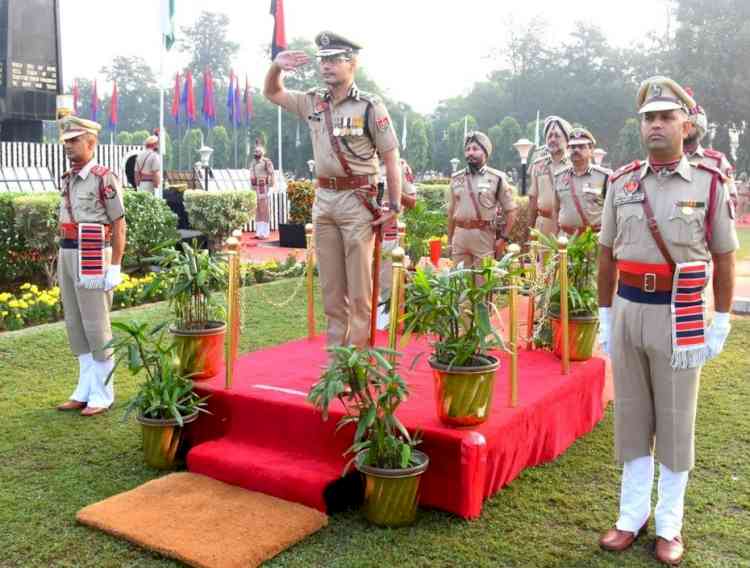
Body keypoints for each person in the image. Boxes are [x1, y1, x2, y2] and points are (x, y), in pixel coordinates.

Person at [597, 76, 737, 565]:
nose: (655, 125)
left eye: (665, 117)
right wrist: (604, 315)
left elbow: (723, 257)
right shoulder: (621, 181)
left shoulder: (709, 182)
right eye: (648, 118)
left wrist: (720, 320)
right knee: (632, 419)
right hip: (630, 309)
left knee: (677, 423)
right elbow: (605, 253)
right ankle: (629, 518)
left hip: (682, 315)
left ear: (687, 124)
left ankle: (669, 525)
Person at [263, 31, 401, 348]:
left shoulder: (369, 106)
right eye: (323, 60)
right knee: (331, 290)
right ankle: (338, 364)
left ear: (352, 63)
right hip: (324, 201)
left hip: (358, 201)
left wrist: (394, 206)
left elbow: (391, 157)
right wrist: (276, 66)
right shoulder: (313, 101)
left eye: (334, 59)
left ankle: (359, 363)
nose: (326, 66)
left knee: (360, 290)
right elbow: (272, 92)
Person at [55, 116, 127, 416]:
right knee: (74, 323)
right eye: (66, 141)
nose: (69, 146)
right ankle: (84, 388)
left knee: (96, 325)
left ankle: (103, 392)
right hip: (68, 253)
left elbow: (119, 224)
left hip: (94, 254)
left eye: (74, 140)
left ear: (91, 142)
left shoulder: (103, 178)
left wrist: (115, 266)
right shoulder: (68, 178)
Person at [447, 131, 517, 267]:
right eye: (467, 149)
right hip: (460, 237)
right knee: (459, 284)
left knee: (483, 284)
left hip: (484, 237)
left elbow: (511, 211)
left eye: (475, 149)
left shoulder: (497, 178)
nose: (470, 153)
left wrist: (503, 239)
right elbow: (451, 213)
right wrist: (449, 241)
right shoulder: (456, 178)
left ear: (485, 152)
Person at [377, 157, 417, 330]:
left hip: (388, 234)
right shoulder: (360, 159)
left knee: (387, 283)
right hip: (360, 231)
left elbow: (412, 201)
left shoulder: (399, 165)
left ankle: (385, 325)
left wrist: (394, 190)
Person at [553, 128, 611, 235]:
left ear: (591, 150)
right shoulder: (559, 177)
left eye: (581, 147)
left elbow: (612, 211)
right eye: (572, 147)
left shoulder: (605, 177)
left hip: (594, 239)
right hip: (566, 239)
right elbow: (556, 210)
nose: (576, 150)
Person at [684, 91, 738, 206]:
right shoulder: (663, 160)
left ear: (700, 127)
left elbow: (733, 200)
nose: (685, 128)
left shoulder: (717, 162)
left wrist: (697, 205)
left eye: (691, 124)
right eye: (682, 124)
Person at [528, 116, 572, 236]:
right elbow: (532, 200)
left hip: (568, 229)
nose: (552, 139)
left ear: (567, 139)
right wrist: (529, 231)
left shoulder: (574, 165)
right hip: (543, 227)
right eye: (549, 136)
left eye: (557, 136)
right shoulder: (538, 165)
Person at [248, 142, 276, 240]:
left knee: (264, 210)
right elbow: (251, 176)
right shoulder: (253, 163)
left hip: (264, 187)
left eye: (258, 151)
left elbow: (272, 174)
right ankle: (259, 232)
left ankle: (265, 233)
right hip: (256, 189)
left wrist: (271, 187)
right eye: (255, 151)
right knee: (258, 211)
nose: (256, 153)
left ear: (263, 152)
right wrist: (251, 188)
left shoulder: (266, 161)